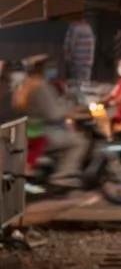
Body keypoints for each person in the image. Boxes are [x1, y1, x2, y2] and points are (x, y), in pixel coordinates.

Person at [21, 56, 84, 188]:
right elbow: (54, 114)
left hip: (32, 130)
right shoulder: (41, 87)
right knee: (79, 142)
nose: (53, 70)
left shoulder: (27, 85)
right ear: (42, 68)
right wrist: (73, 113)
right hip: (44, 132)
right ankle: (63, 177)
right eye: (50, 67)